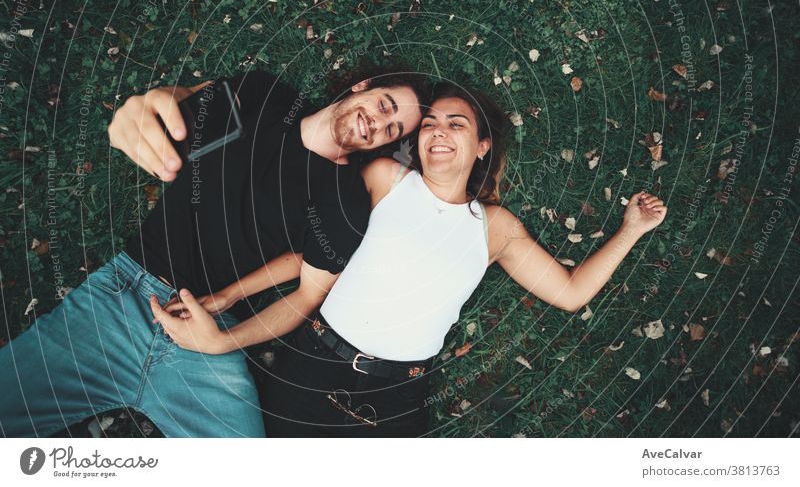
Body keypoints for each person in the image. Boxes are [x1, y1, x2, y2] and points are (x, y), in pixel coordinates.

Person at [150, 82, 668, 437]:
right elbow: (310, 261)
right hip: (312, 365)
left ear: (482, 146)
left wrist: (631, 230)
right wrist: (225, 295)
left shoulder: (498, 229)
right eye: (430, 123)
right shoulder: (384, 181)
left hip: (397, 395)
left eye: (456, 124)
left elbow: (572, 292)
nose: (437, 131)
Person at [0, 65, 429, 438]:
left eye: (391, 130)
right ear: (363, 86)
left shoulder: (348, 199)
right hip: (123, 295)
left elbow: (306, 294)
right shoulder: (267, 95)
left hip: (208, 337)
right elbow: (181, 106)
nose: (377, 123)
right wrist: (152, 105)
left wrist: (221, 339)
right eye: (385, 105)